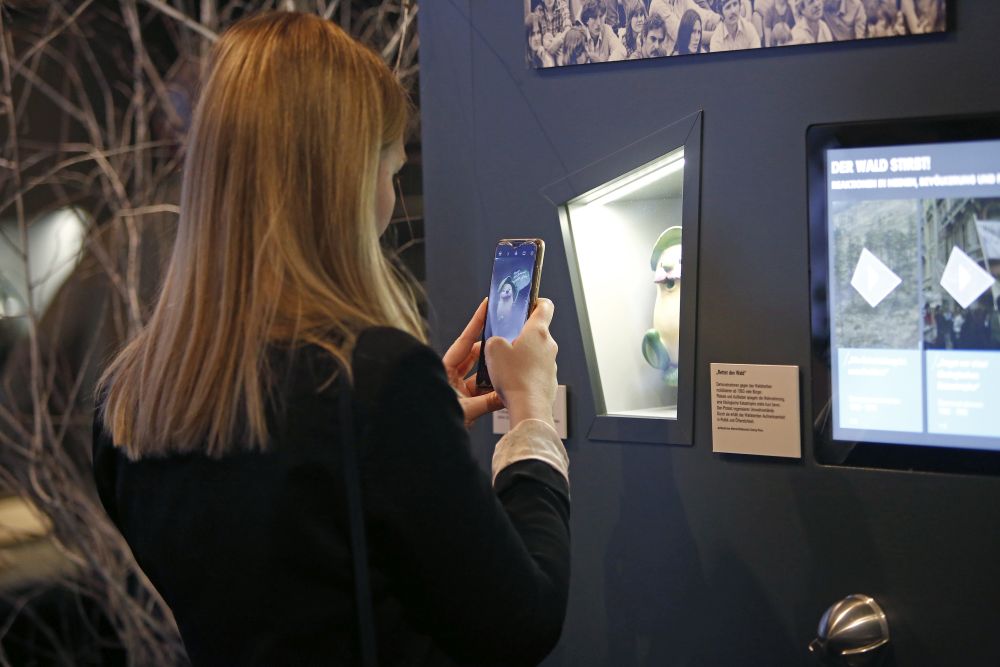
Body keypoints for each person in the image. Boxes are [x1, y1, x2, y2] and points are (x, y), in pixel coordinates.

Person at [93, 12, 570, 666]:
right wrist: (533, 415)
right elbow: (525, 620)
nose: (389, 198)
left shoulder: (127, 403)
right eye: (390, 170)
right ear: (341, 178)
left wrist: (416, 427)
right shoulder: (377, 380)